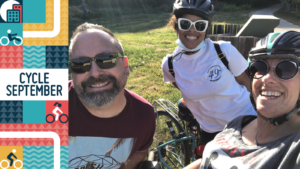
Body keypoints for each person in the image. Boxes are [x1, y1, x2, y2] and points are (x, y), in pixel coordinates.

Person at [185, 31, 300, 169]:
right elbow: (208, 159)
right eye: (260, 67)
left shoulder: (294, 149)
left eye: (286, 68)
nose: (267, 78)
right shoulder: (238, 123)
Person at [161, 0, 256, 156]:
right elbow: (180, 86)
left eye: (200, 25)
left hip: (245, 120)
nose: (192, 30)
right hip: (211, 131)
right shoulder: (170, 64)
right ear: (176, 25)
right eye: (185, 24)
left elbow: (247, 83)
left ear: (206, 29)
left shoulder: (224, 51)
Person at [68, 23, 155, 169]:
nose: (95, 73)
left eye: (107, 59)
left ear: (125, 66)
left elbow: (139, 152)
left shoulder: (144, 115)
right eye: (80, 64)